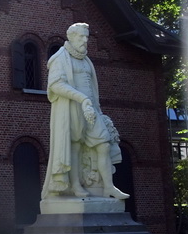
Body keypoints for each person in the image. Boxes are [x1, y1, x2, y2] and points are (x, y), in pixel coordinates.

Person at [41, 23, 129, 201]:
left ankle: (108, 187)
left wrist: (94, 106)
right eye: (81, 36)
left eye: (86, 37)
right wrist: (81, 98)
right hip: (73, 107)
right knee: (74, 145)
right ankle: (75, 185)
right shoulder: (60, 58)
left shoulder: (86, 59)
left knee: (103, 144)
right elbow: (56, 85)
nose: (85, 40)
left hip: (91, 110)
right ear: (71, 37)